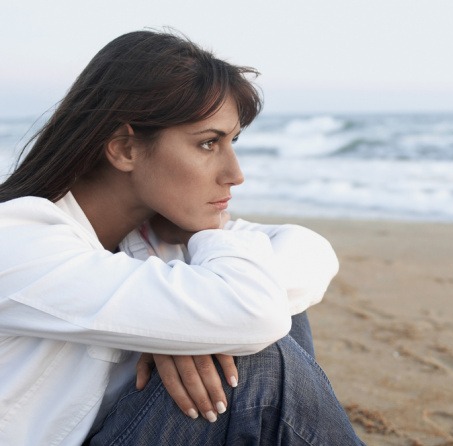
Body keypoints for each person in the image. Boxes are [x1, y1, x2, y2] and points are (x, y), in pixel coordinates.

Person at [0, 30, 364, 445]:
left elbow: (311, 251)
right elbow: (254, 312)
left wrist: (196, 327)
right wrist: (209, 313)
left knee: (253, 295)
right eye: (208, 143)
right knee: (258, 354)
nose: (235, 173)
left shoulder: (150, 234)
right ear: (124, 149)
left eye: (233, 141)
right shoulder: (15, 242)